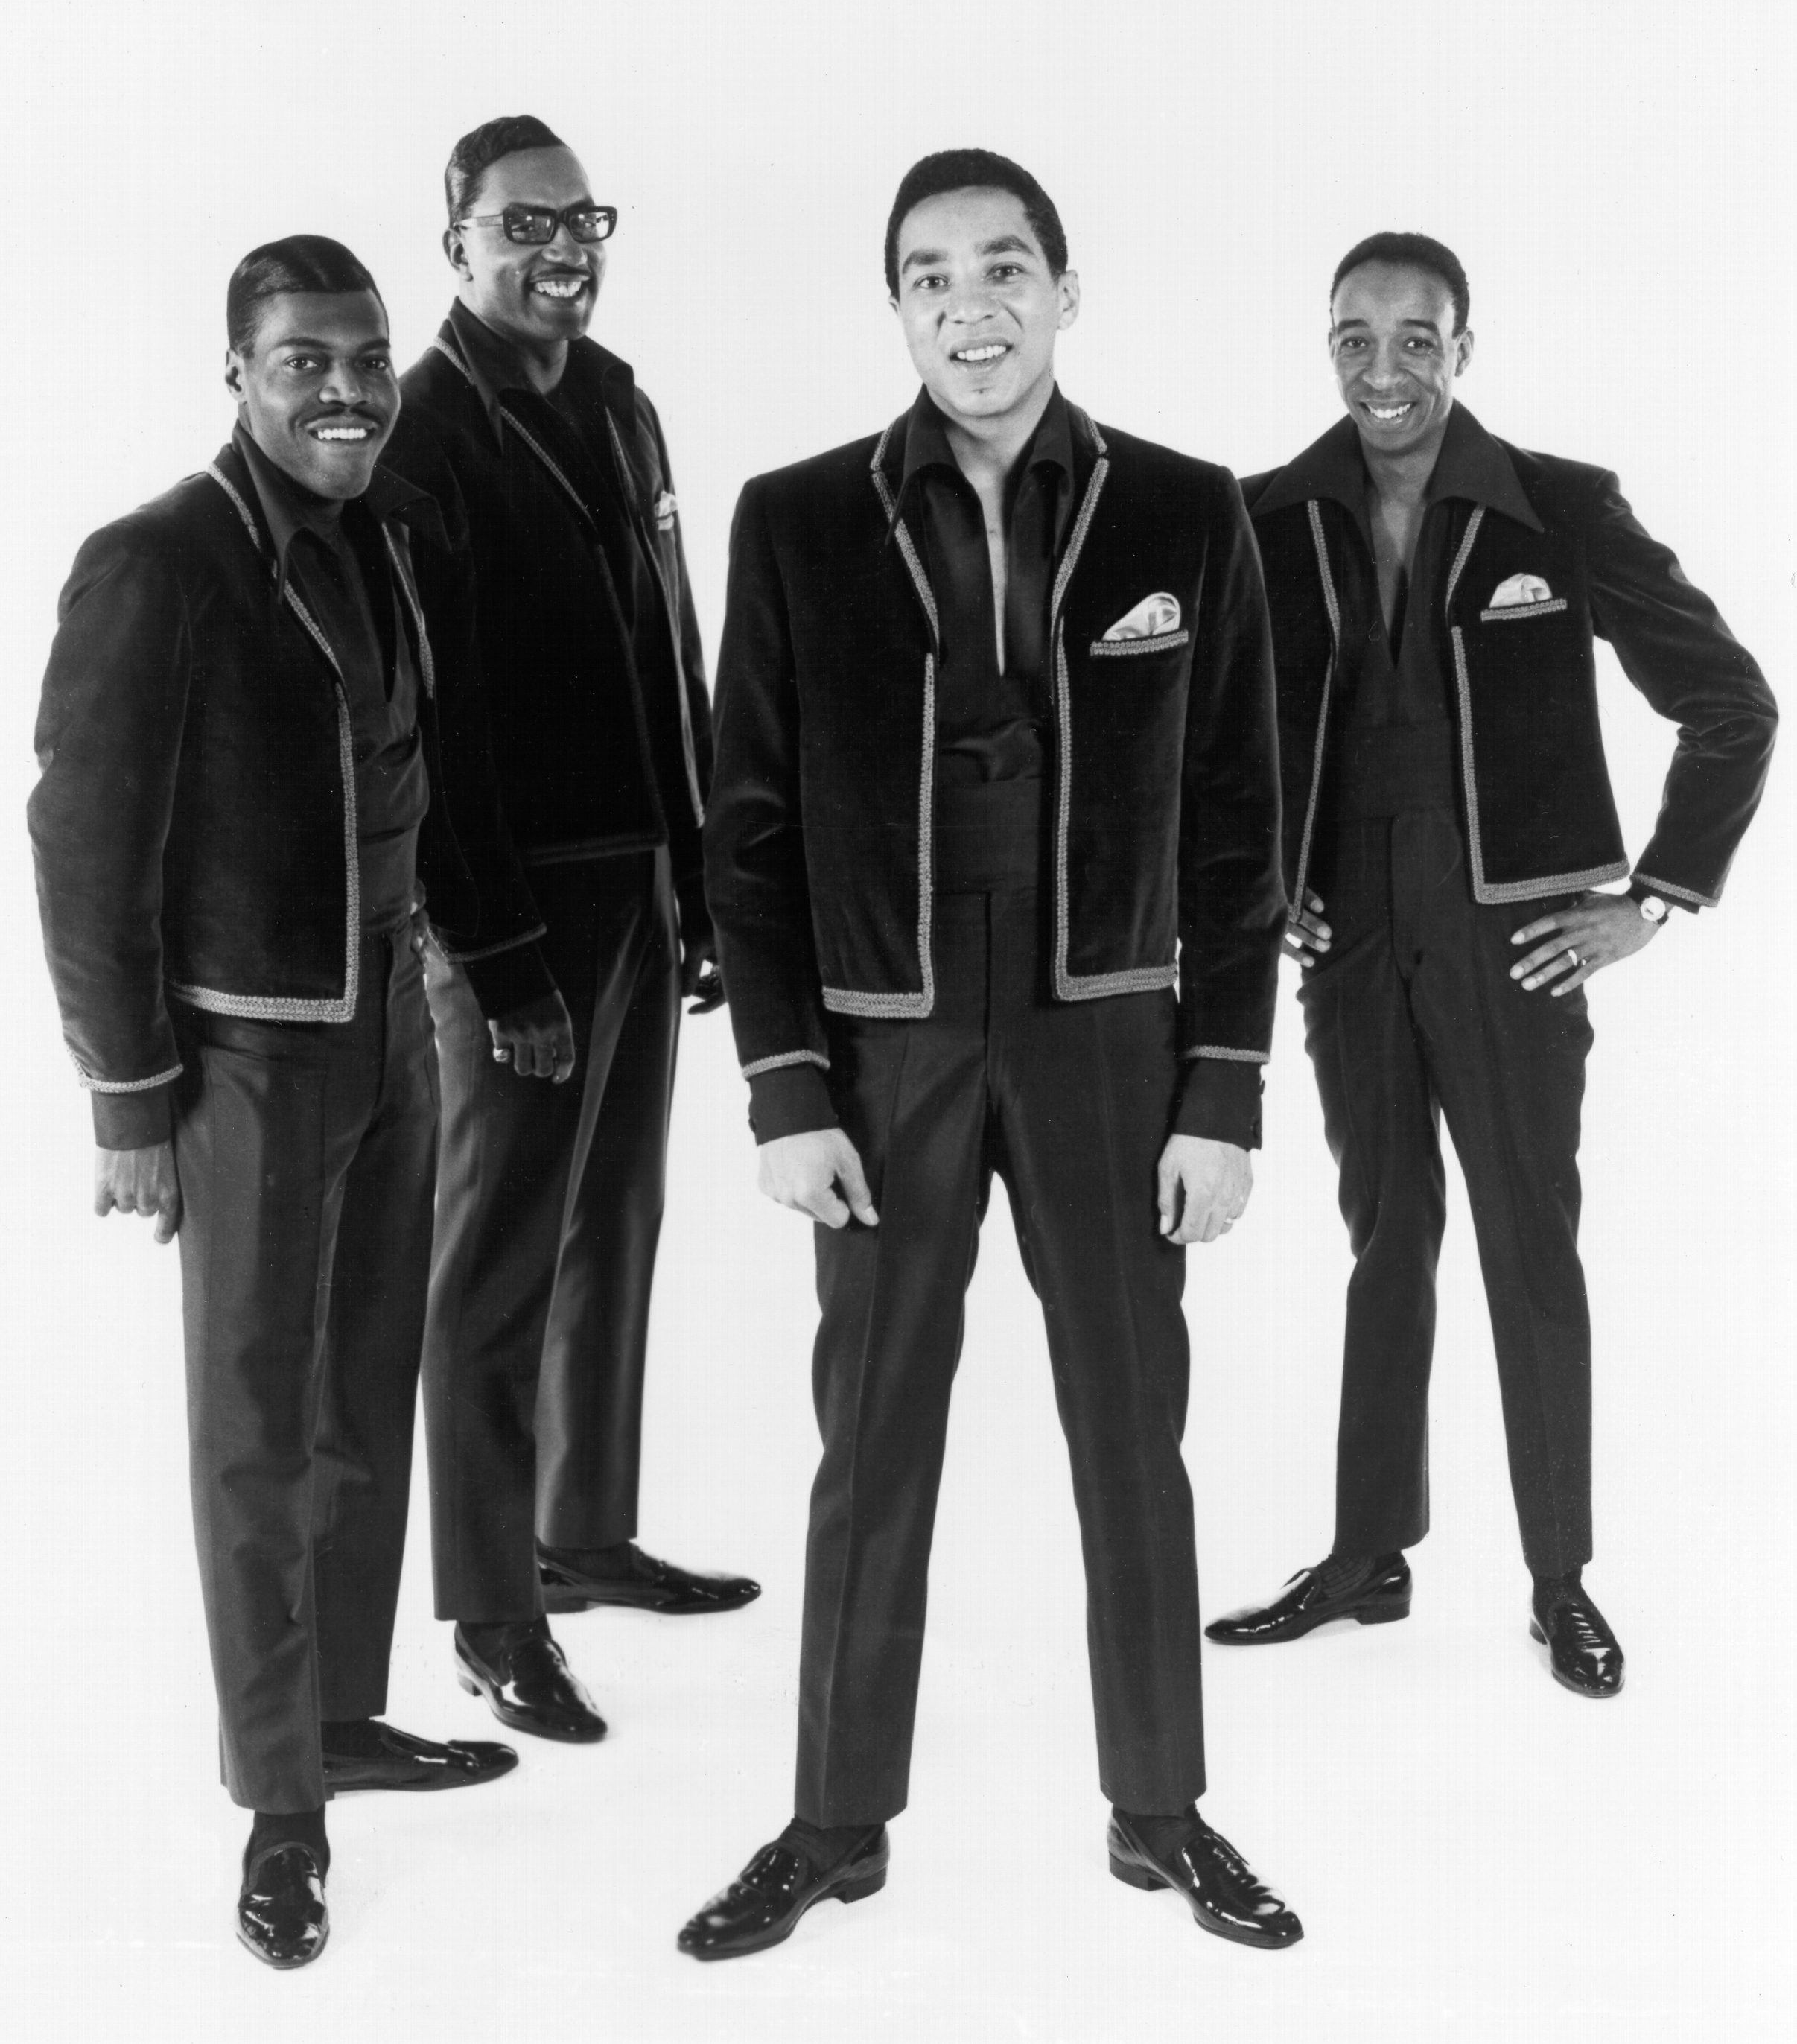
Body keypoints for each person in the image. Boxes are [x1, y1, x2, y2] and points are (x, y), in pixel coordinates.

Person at [683, 150, 1302, 1962]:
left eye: (1006, 266)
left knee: (1135, 1433)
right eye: (932, 274)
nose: (973, 303)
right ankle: (832, 1823)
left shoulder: (1189, 514)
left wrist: (1224, 1091)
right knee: (868, 1443)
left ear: (1063, 289)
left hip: (1111, 1039)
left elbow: (1242, 825)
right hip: (882, 1053)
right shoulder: (795, 519)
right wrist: (785, 1087)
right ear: (896, 307)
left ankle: (1162, 1814)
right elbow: (749, 829)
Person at [28, 238, 534, 1968]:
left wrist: (482, 970)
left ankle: (339, 1715)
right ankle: (277, 1805)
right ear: (238, 375)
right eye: (304, 359)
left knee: (359, 1392)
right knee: (252, 1434)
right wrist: (126, 1097)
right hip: (239, 1061)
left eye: (369, 356)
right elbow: (79, 843)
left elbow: (416, 779)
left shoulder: (391, 531)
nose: (347, 388)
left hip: (390, 1023)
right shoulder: (160, 562)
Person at [1206, 233, 1777, 1695]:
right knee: (1384, 1237)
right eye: (1352, 337)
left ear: (1463, 346)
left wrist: (1658, 898)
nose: (1381, 368)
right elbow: (1214, 739)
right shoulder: (1271, 515)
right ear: (1323, 344)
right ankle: (1365, 1553)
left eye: (1414, 338)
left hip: (1516, 932)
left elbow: (1731, 702)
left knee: (1529, 1242)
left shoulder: (1558, 508)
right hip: (1350, 930)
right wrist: (1272, 889)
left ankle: (1558, 1578)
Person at [384, 115, 756, 1749]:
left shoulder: (618, 400)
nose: (561, 249)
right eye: (524, 224)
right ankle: (487, 1605)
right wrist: (497, 948)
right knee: (497, 1258)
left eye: (581, 220)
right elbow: (433, 727)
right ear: (455, 240)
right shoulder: (420, 435)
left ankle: (582, 1529)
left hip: (642, 881)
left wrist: (704, 873)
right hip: (511, 909)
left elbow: (673, 652)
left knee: (617, 1221)